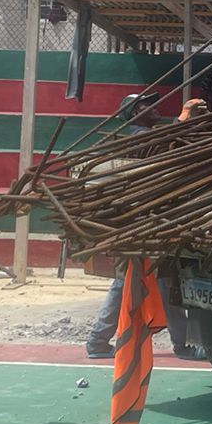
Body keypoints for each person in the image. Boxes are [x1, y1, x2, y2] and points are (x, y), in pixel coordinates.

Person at [84, 92, 165, 359]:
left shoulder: (141, 135)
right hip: (135, 218)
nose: (154, 108)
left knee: (147, 279)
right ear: (134, 113)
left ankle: (99, 339)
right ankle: (97, 339)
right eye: (146, 105)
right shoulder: (139, 137)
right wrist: (182, 122)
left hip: (139, 216)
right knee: (126, 281)